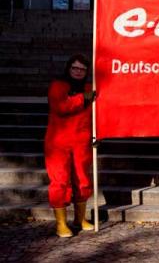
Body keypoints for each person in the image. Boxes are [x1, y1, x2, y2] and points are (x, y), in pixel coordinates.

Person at [45, 54, 96, 237]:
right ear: (68, 68)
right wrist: (83, 98)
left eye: (82, 69)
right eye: (75, 68)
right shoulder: (58, 86)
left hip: (82, 140)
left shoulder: (91, 87)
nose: (78, 72)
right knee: (60, 181)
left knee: (83, 180)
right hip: (58, 142)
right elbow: (61, 107)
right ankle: (61, 223)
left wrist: (100, 133)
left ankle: (80, 219)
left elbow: (98, 114)